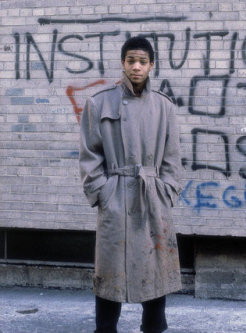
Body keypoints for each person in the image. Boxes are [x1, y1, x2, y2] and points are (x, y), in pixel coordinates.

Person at [79, 36, 183, 333]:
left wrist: (166, 191)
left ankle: (153, 327)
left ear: (152, 65)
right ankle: (106, 328)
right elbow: (89, 154)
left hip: (152, 197)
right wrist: (103, 192)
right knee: (110, 273)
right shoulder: (99, 102)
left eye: (142, 61)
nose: (136, 67)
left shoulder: (164, 107)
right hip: (116, 199)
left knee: (155, 270)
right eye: (130, 61)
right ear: (122, 63)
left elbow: (172, 157)